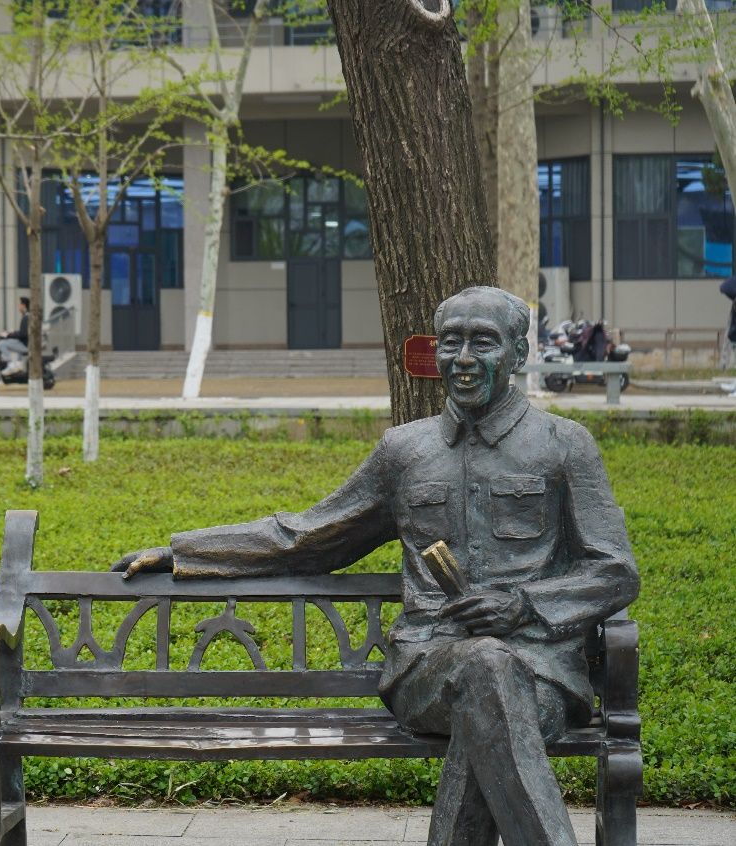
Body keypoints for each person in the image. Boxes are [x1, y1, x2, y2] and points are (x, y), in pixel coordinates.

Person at [113, 286, 639, 846]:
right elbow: (308, 538)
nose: (463, 358)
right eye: (451, 342)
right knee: (486, 672)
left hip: (541, 674)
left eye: (483, 342)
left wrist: (523, 605)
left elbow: (615, 571)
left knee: (490, 688)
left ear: (518, 352)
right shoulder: (404, 452)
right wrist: (185, 553)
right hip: (426, 668)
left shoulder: (564, 445)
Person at [0, 296, 30, 375]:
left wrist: (8, 335)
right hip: (27, 343)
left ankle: (10, 365)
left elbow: (23, 334)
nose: (18, 306)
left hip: (26, 345)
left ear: (23, 306)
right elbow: (24, 332)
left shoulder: (26, 318)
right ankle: (19, 364)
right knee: (13, 340)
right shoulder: (28, 316)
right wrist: (14, 332)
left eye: (19, 305)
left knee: (2, 343)